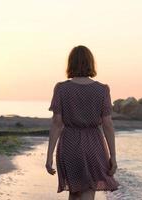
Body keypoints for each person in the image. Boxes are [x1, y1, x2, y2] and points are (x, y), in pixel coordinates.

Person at [45, 45, 120, 200]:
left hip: (69, 144)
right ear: (91, 63)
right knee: (88, 191)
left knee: (74, 192)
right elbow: (107, 124)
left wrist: (49, 156)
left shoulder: (61, 89)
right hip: (94, 144)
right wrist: (113, 156)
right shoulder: (102, 90)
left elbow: (57, 124)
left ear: (70, 63)